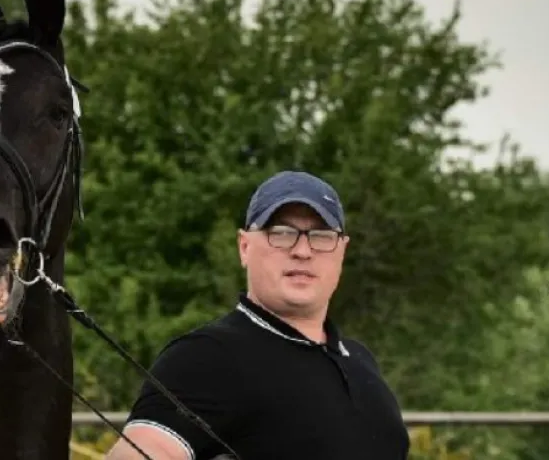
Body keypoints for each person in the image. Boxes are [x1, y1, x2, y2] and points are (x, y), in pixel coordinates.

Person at [105, 171, 410, 460]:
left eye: (320, 235)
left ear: (341, 250)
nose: (303, 251)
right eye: (281, 232)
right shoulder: (206, 356)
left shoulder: (359, 359)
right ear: (244, 247)